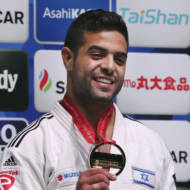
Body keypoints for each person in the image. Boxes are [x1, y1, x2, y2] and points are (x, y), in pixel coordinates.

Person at [0, 9, 176, 190]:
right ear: (68, 58)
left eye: (119, 59)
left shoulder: (152, 145)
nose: (109, 66)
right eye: (97, 55)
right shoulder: (31, 146)